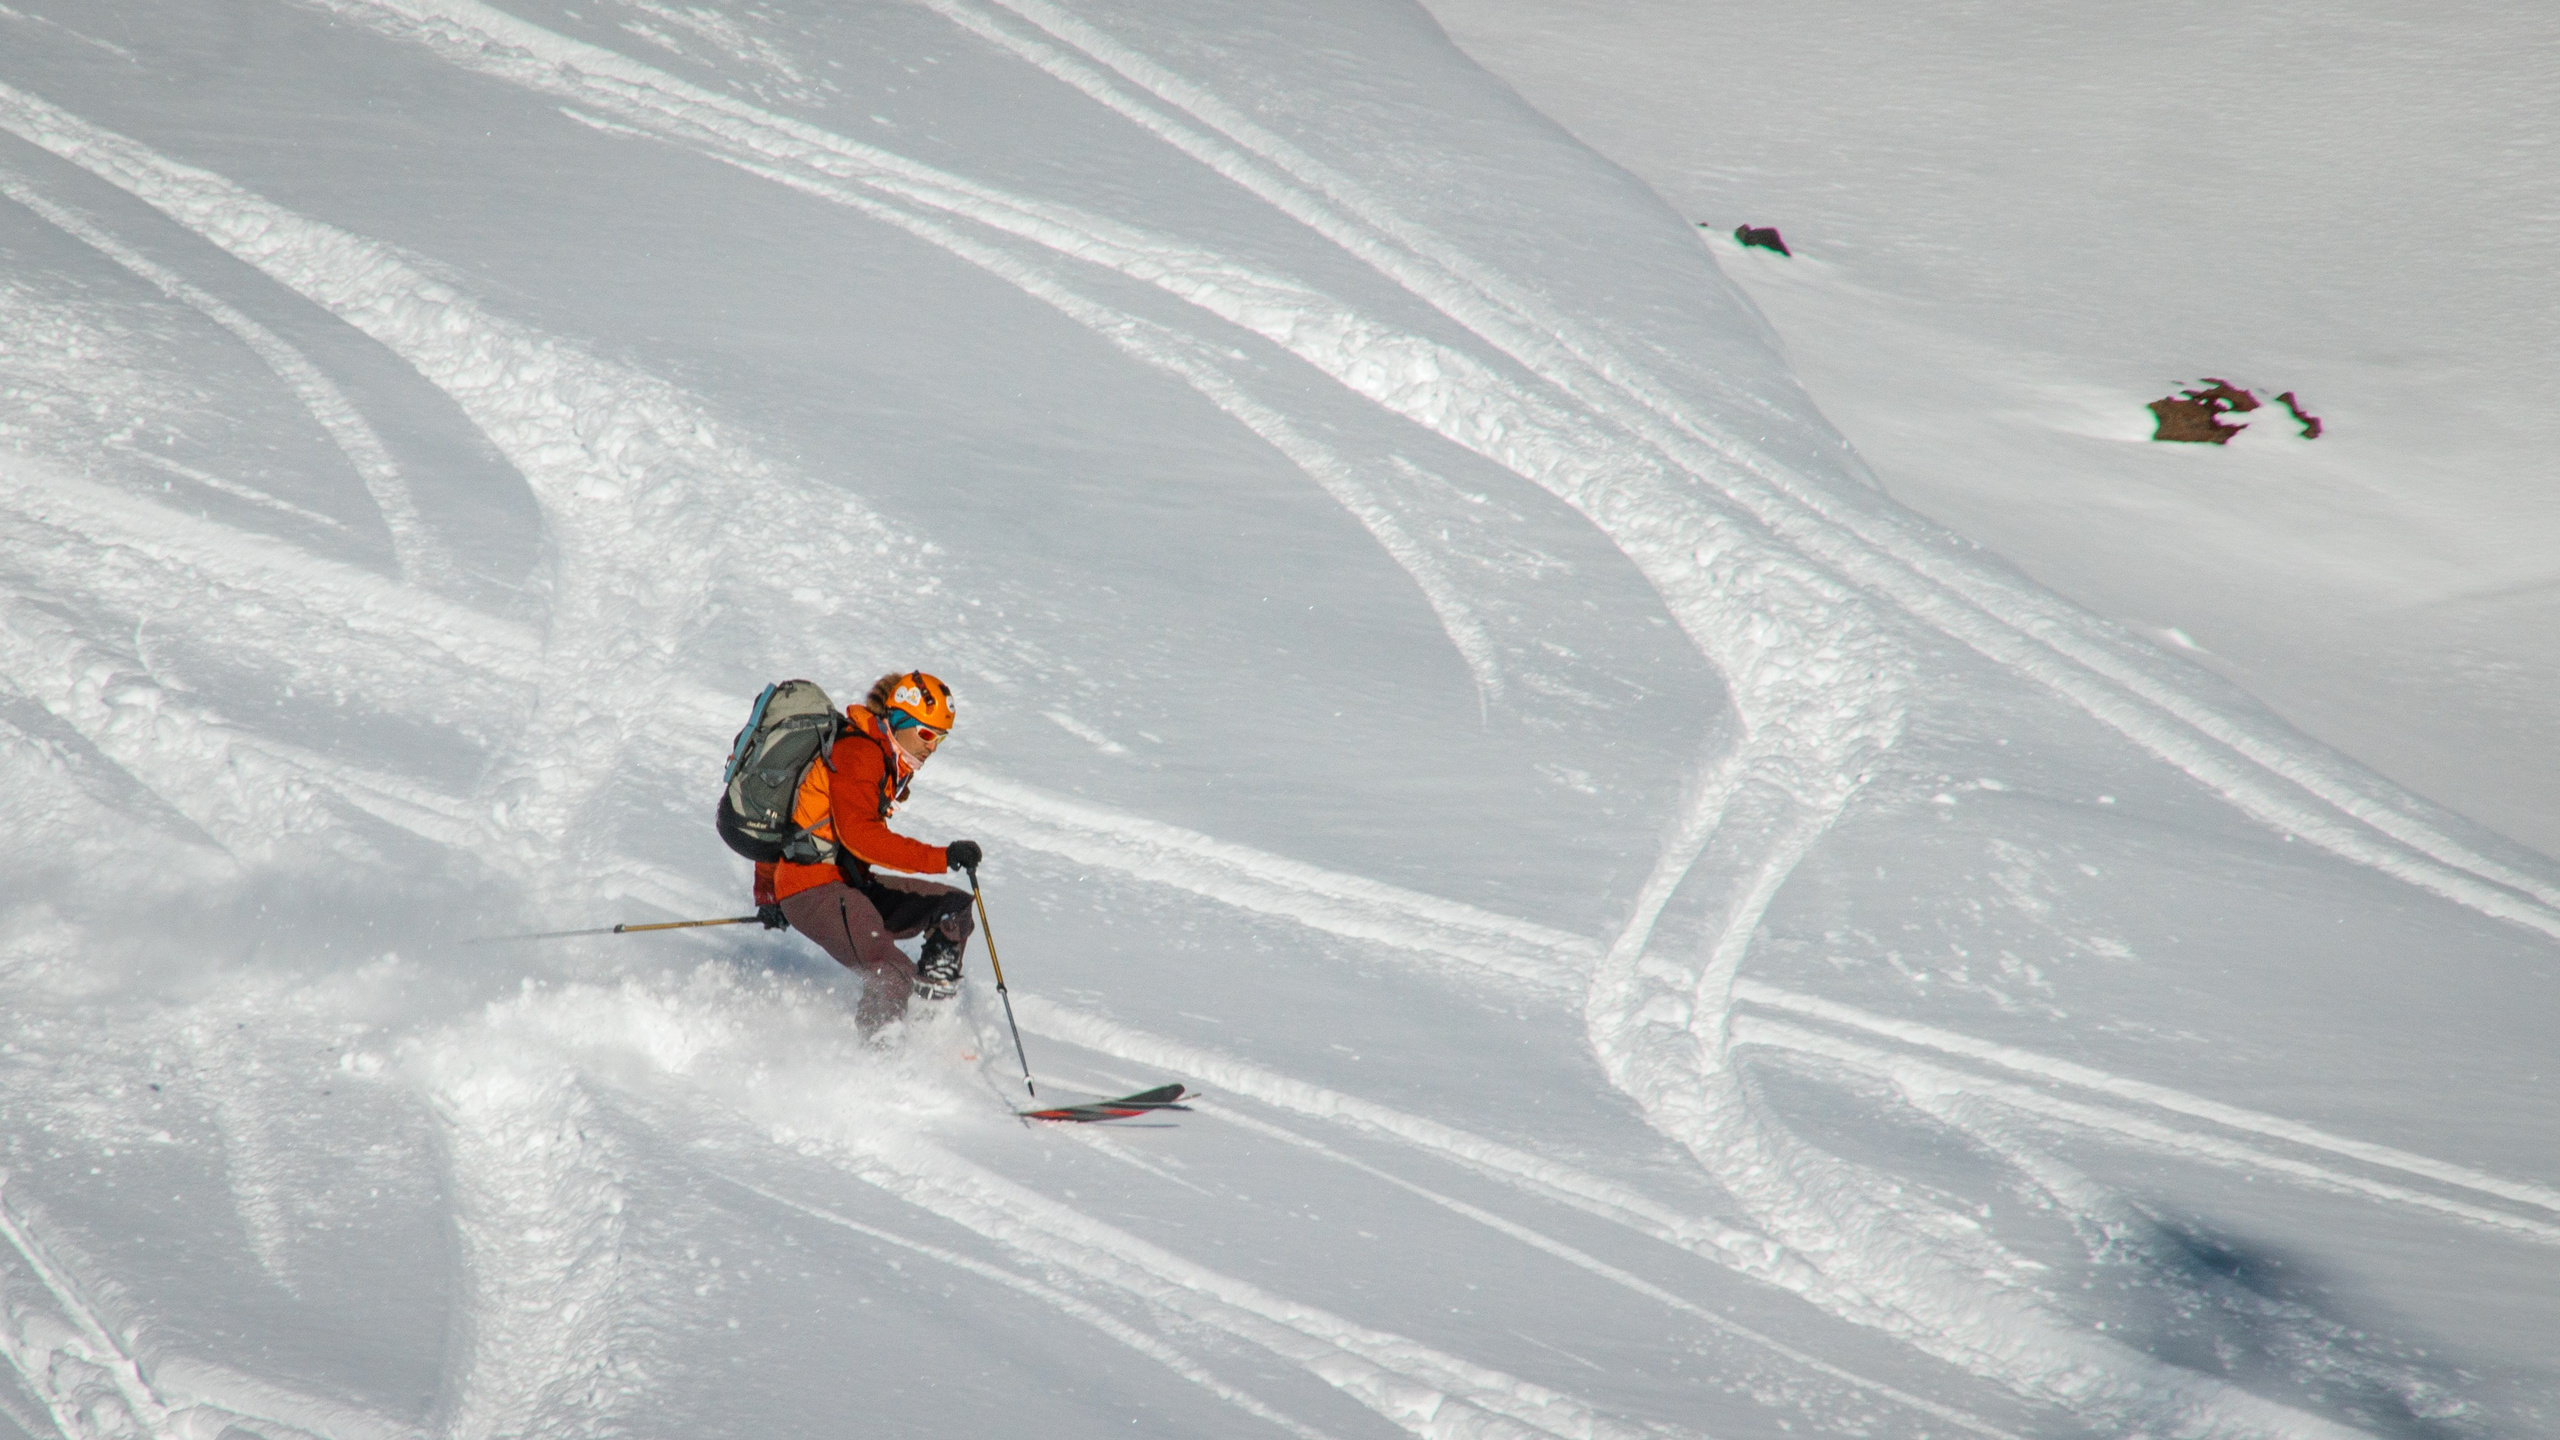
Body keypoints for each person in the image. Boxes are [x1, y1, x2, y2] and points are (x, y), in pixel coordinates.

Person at [751, 671, 986, 1036]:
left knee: (952, 909)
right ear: (899, 720)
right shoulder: (860, 753)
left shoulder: (885, 758)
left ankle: (931, 1020)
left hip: (850, 885)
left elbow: (796, 818)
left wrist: (767, 892)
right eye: (926, 734)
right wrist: (942, 857)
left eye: (940, 737)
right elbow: (862, 837)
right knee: (891, 973)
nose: (932, 746)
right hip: (813, 889)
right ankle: (880, 1065)